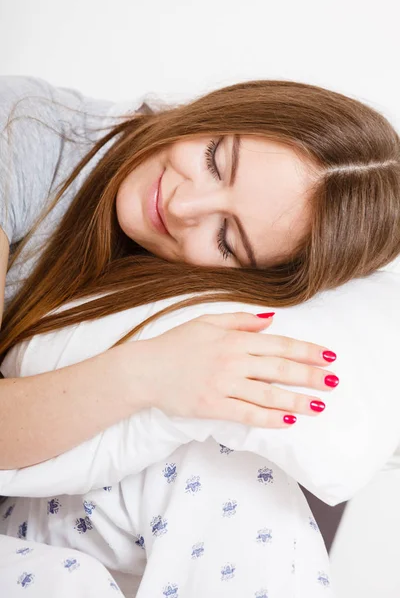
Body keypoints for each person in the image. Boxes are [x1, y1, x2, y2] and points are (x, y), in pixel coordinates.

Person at [0, 75, 399, 597]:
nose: (183, 208)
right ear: (224, 108)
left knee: (230, 470)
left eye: (227, 238)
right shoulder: (25, 133)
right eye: (215, 159)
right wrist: (149, 372)